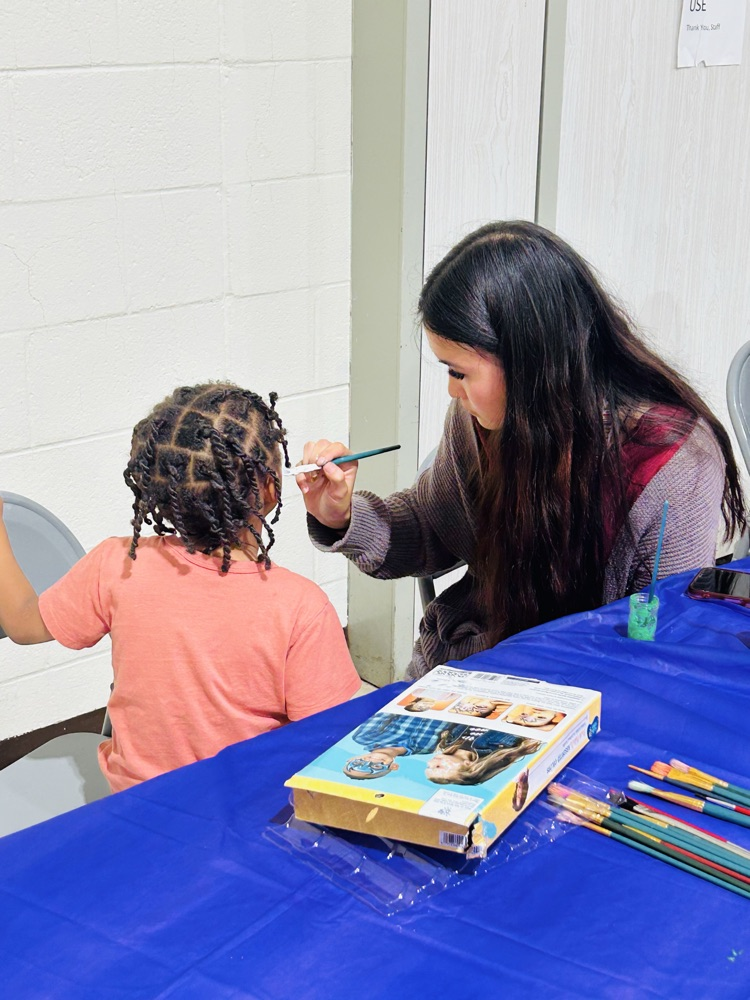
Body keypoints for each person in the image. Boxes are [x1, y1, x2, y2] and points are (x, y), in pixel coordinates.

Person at [296, 220, 746, 678]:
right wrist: (343, 516)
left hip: (594, 689)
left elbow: (661, 640)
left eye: (459, 372)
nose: (454, 392)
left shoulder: (672, 463)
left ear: (530, 363)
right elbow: (434, 530)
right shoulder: (483, 422)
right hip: (474, 670)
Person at [0, 383, 360, 792]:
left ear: (160, 491)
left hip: (134, 809)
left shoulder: (118, 564)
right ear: (272, 488)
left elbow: (22, 623)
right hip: (244, 825)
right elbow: (327, 750)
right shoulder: (301, 608)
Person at [424, 729, 541, 786]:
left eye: (429, 766)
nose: (431, 762)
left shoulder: (448, 740)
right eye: (438, 767)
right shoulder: (499, 746)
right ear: (468, 765)